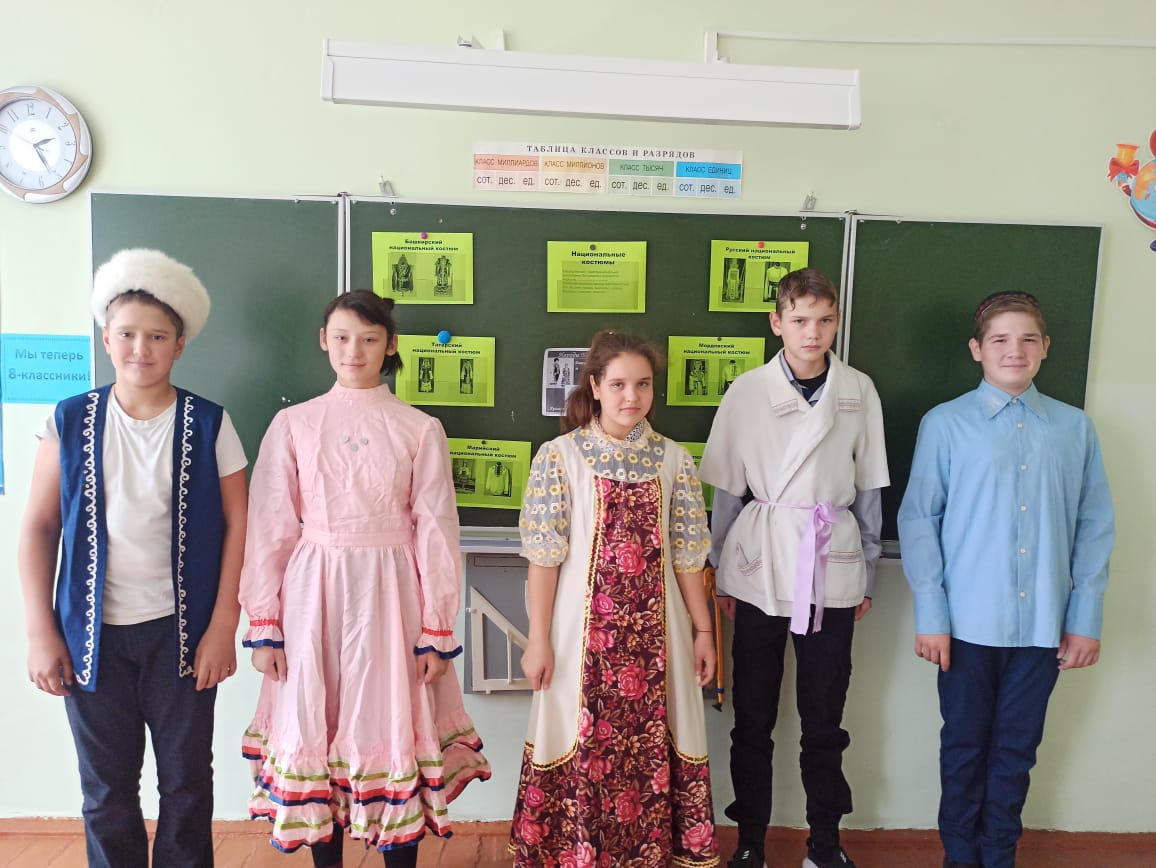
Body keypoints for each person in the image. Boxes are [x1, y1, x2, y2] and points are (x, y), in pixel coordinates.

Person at [239, 290, 490, 867]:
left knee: (391, 720)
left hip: (393, 593)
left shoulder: (419, 428)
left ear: (390, 345)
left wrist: (436, 629)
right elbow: (270, 524)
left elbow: (436, 529)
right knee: (317, 724)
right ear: (324, 340)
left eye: (370, 339)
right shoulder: (294, 423)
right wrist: (265, 624)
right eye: (343, 337)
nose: (354, 350)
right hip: (313, 592)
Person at [17, 248, 249, 867]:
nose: (140, 348)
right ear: (106, 338)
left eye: (157, 336)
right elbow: (38, 527)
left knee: (186, 784)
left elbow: (238, 525)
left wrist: (223, 625)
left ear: (180, 345)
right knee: (106, 791)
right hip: (90, 636)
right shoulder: (67, 421)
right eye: (126, 334)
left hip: (181, 634)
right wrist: (40, 631)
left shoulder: (208, 423)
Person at [897, 291, 1114, 868]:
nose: (1013, 350)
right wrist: (932, 614)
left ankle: (999, 857)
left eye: (1027, 339)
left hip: (1043, 626)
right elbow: (918, 520)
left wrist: (1085, 617)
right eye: (999, 339)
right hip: (965, 626)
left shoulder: (1074, 429)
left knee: (1017, 752)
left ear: (1045, 348)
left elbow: (1094, 524)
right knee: (964, 748)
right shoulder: (945, 424)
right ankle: (959, 857)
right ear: (977, 349)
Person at [700, 268, 889, 868]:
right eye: (800, 320)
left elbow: (869, 491)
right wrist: (720, 570)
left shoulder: (858, 389)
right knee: (752, 716)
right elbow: (727, 493)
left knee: (825, 718)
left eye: (825, 320)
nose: (813, 332)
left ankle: (825, 844)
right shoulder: (746, 390)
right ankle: (749, 842)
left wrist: (866, 573)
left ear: (837, 322)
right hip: (758, 565)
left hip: (832, 564)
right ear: (776, 322)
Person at [509, 330, 720, 867]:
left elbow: (688, 557)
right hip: (579, 643)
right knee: (580, 742)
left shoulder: (674, 461)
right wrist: (538, 640)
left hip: (660, 644)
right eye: (620, 384)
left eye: (643, 384)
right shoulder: (560, 458)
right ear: (596, 387)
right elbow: (544, 558)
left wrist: (703, 631)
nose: (632, 396)